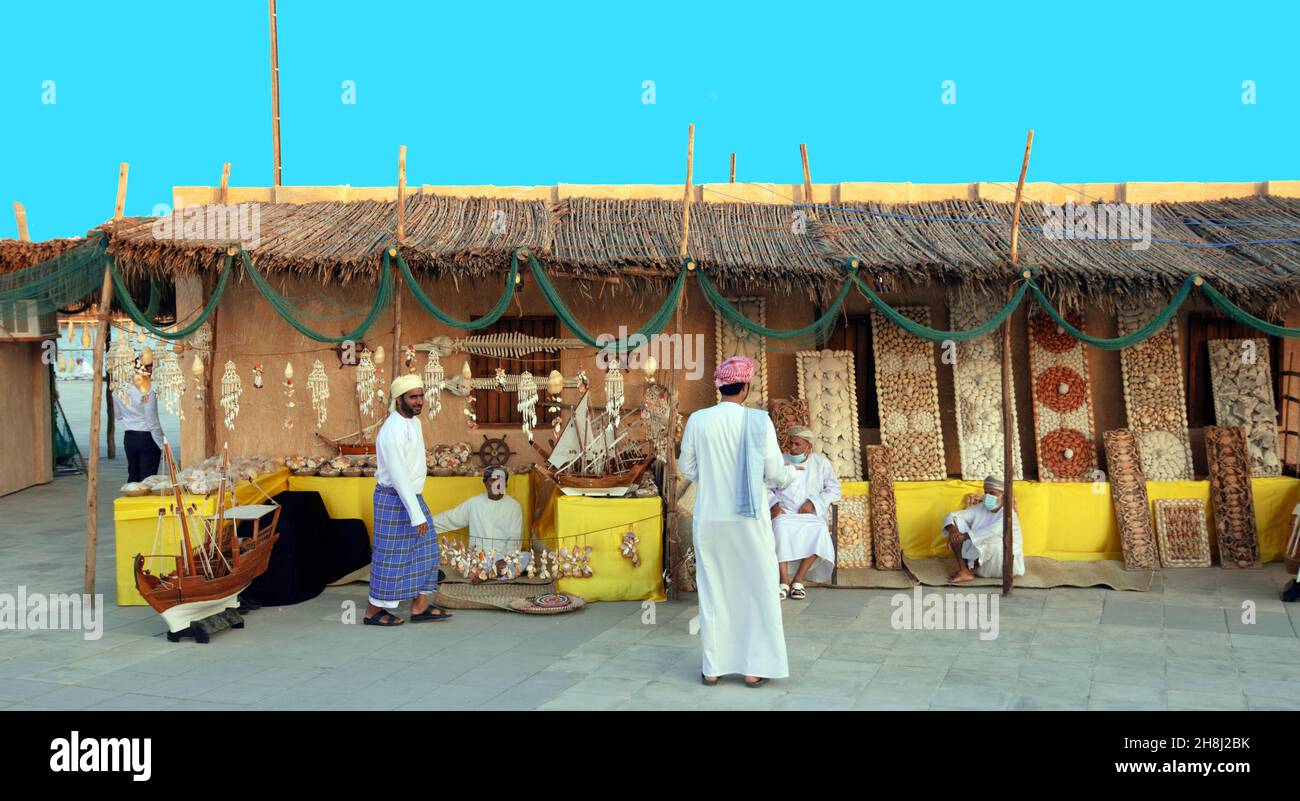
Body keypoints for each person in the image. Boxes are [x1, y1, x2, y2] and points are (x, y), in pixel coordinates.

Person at [680, 355, 796, 688]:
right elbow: (775, 472)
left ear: (720, 386)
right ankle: (753, 668)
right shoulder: (760, 421)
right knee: (757, 589)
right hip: (750, 521)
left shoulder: (698, 420)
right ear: (745, 387)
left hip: (711, 521)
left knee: (714, 589)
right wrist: (790, 474)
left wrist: (716, 476)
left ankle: (713, 667)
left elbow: (688, 468)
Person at [364, 374, 452, 626]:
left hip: (412, 497)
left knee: (426, 550)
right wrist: (416, 515)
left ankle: (420, 605)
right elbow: (399, 477)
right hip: (394, 499)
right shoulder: (391, 432)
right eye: (413, 397)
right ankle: (373, 611)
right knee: (391, 556)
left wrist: (416, 507)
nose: (419, 401)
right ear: (398, 399)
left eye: (421, 395)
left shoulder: (414, 423)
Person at [768, 425, 841, 600]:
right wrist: (774, 504)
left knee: (820, 531)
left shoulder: (820, 462)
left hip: (810, 515)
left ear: (808, 446)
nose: (792, 448)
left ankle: (798, 580)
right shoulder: (780, 461)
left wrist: (814, 503)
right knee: (779, 527)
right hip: (784, 512)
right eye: (790, 444)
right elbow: (766, 487)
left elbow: (834, 489)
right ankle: (784, 581)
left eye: (797, 444)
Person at [429, 466, 528, 583]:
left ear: (505, 484)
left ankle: (486, 574)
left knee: (526, 556)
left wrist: (506, 559)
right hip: (478, 557)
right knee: (461, 560)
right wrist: (425, 524)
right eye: (493, 480)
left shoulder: (514, 506)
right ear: (485, 483)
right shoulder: (474, 503)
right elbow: (451, 518)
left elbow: (515, 537)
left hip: (502, 559)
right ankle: (490, 573)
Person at [941, 476, 1025, 583]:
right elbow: (952, 516)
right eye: (986, 492)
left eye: (992, 493)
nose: (988, 496)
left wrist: (962, 537)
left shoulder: (1009, 514)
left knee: (988, 539)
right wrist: (953, 530)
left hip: (1003, 564)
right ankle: (964, 571)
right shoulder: (981, 508)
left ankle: (970, 570)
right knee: (956, 522)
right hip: (983, 562)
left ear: (1004, 496)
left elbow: (991, 532)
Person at [113, 359, 164, 482]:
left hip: (129, 437)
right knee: (148, 480)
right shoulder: (147, 391)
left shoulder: (118, 389)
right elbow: (152, 422)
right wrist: (162, 444)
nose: (152, 371)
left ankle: (131, 499)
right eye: (151, 367)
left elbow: (118, 415)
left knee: (133, 476)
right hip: (146, 438)